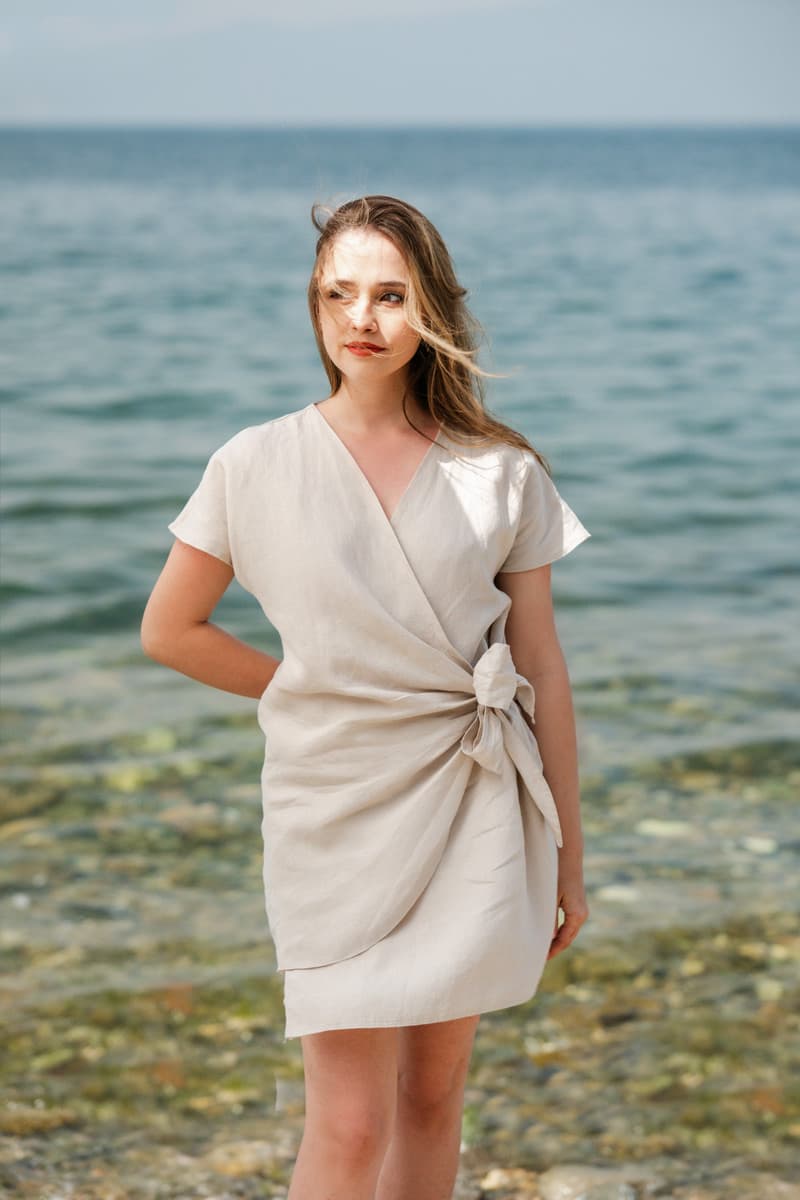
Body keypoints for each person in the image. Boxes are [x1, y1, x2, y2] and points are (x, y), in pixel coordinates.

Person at [141, 194, 591, 1200]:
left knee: (433, 1103)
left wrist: (567, 852)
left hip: (474, 796)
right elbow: (169, 630)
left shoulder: (499, 473)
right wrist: (306, 689)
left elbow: (542, 668)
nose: (362, 318)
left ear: (430, 308)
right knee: (347, 1124)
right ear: (311, 307)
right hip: (330, 803)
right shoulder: (253, 461)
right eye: (337, 293)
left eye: (390, 295)